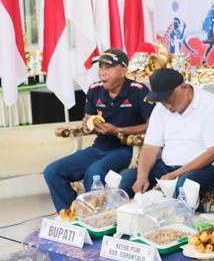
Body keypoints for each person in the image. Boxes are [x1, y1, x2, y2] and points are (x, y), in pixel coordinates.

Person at [44, 49, 153, 212]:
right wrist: (88, 125)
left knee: (94, 171)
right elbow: (88, 120)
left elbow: (152, 125)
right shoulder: (95, 90)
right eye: (100, 67)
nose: (102, 72)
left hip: (127, 149)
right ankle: (71, 213)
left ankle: (96, 217)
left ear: (123, 71)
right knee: (52, 171)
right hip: (99, 147)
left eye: (108, 68)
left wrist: (118, 130)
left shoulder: (138, 90)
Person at [119, 68, 214, 210]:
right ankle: (148, 228)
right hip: (169, 166)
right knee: (128, 181)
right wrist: (142, 176)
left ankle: (194, 229)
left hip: (210, 166)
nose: (167, 106)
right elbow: (150, 147)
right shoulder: (160, 109)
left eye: (169, 99)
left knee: (183, 187)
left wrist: (175, 175)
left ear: (183, 88)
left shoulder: (209, 103)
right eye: (162, 101)